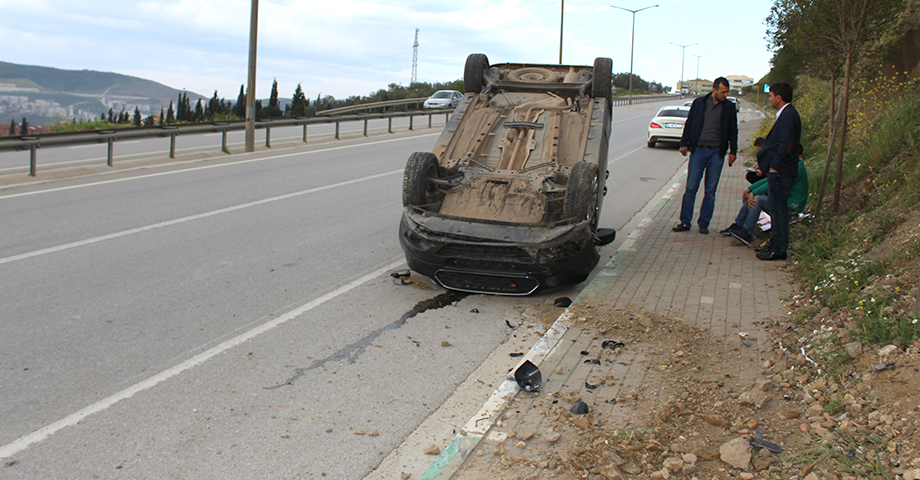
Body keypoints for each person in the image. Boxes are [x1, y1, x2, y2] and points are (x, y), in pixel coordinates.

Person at [673, 77, 739, 234]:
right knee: (691, 188)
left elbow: (733, 130)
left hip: (717, 152)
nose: (726, 95)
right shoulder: (700, 103)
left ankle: (704, 223)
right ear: (714, 90)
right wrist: (684, 143)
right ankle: (685, 222)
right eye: (723, 92)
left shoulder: (729, 107)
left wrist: (733, 151)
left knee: (710, 190)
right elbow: (689, 123)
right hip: (698, 151)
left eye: (727, 92)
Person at [755, 82, 801, 260]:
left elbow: (787, 143)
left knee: (779, 211)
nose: (770, 98)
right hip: (779, 169)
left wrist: (775, 163)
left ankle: (780, 249)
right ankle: (775, 244)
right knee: (775, 209)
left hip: (781, 171)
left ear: (779, 97)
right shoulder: (786, 114)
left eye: (771, 95)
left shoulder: (788, 115)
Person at [720, 152, 808, 245]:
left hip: (790, 209)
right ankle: (739, 225)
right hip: (783, 204)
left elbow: (774, 183)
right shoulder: (789, 165)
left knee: (758, 199)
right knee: (752, 196)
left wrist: (754, 192)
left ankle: (747, 232)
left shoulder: (795, 168)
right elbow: (770, 179)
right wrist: (750, 190)